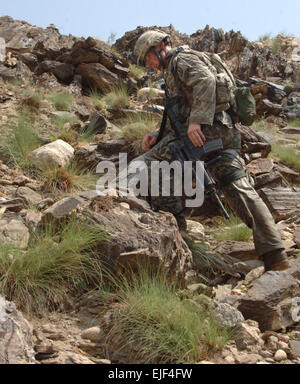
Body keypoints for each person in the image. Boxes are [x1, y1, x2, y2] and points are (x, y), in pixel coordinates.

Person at [133, 30, 290, 272]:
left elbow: (205, 81)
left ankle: (176, 231)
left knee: (145, 167)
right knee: (235, 185)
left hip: (207, 134)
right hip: (218, 134)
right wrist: (157, 135)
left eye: (148, 58)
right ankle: (274, 252)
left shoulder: (180, 60)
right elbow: (179, 115)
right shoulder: (173, 72)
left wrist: (197, 120)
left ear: (159, 47)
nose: (149, 65)